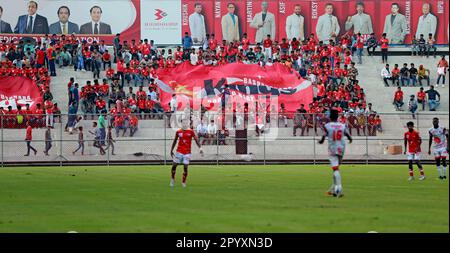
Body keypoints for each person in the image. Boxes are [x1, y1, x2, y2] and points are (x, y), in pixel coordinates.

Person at [318, 109, 352, 198]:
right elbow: (348, 136)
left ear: (330, 117)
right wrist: (350, 140)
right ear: (337, 116)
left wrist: (320, 141)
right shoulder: (342, 125)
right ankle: (333, 188)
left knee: (335, 169)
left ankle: (339, 189)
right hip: (341, 148)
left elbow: (323, 137)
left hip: (332, 149)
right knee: (336, 168)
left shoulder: (327, 126)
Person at [170, 120, 204, 188]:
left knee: (185, 167)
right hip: (179, 151)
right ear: (181, 124)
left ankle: (183, 182)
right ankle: (172, 179)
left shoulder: (191, 131)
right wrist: (171, 150)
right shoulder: (178, 132)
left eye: (186, 123)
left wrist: (200, 148)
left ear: (187, 124)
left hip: (187, 152)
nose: (184, 124)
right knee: (174, 166)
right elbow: (175, 141)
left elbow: (196, 140)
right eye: (183, 123)